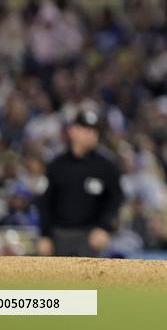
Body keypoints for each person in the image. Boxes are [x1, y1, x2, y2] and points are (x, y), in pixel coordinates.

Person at [36, 108, 123, 257]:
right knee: (58, 279)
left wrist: (105, 227)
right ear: (72, 131)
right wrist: (44, 235)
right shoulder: (57, 165)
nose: (92, 134)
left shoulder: (106, 165)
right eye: (86, 129)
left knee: (90, 279)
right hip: (59, 235)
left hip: (90, 236)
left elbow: (116, 198)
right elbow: (45, 202)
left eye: (95, 131)